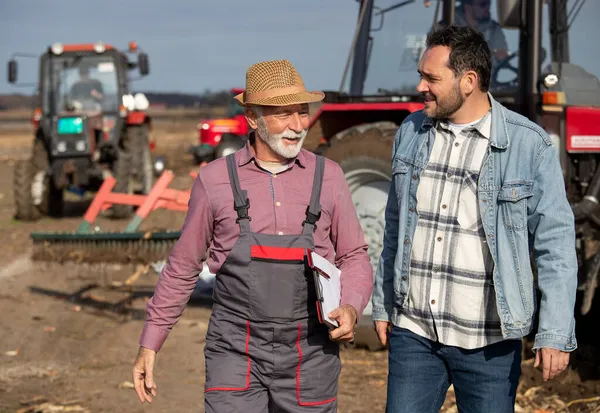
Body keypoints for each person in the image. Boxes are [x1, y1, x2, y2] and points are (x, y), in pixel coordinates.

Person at [132, 59, 373, 412]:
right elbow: (183, 266)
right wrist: (150, 343)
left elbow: (354, 255)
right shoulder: (214, 180)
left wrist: (351, 306)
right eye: (282, 115)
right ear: (252, 118)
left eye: (302, 113)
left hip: (311, 354)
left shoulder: (330, 176)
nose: (297, 126)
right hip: (235, 351)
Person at [372, 25, 577, 412]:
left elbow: (556, 242)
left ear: (468, 81)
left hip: (489, 343)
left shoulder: (527, 144)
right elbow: (395, 228)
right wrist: (384, 304)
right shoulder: (411, 132)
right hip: (414, 333)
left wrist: (553, 331)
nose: (421, 87)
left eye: (431, 78)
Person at [455, 0, 509, 65]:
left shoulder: (494, 28)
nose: (487, 7)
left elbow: (502, 58)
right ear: (468, 8)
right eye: (483, 5)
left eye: (489, 4)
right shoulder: (450, 28)